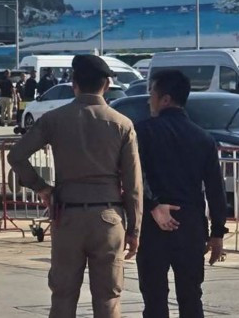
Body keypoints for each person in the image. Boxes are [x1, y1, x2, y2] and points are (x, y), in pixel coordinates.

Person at [8, 55, 143, 318]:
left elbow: (16, 155)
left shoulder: (54, 119)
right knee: (108, 299)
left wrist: (41, 187)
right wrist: (135, 229)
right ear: (106, 84)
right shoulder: (122, 124)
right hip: (108, 217)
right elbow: (133, 184)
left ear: (74, 84)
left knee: (63, 297)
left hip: (67, 216)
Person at [134, 69, 227, 318]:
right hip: (190, 225)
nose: (148, 99)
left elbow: (135, 178)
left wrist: (153, 205)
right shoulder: (204, 138)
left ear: (165, 99)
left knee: (154, 299)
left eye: (151, 93)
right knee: (191, 297)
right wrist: (217, 232)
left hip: (152, 225)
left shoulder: (142, 132)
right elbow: (216, 189)